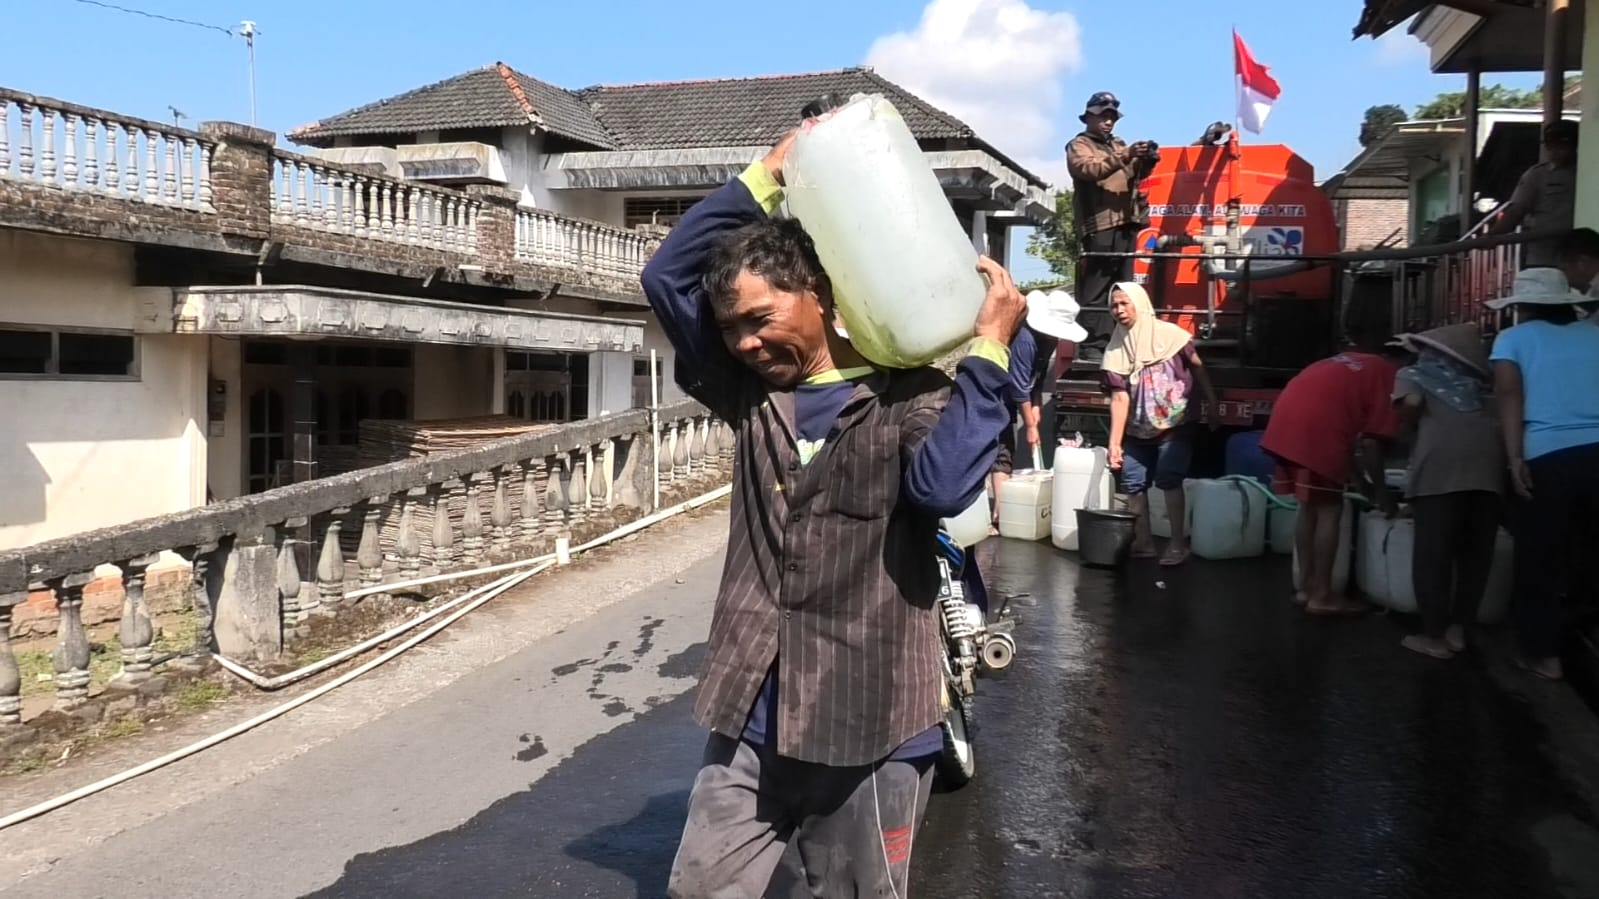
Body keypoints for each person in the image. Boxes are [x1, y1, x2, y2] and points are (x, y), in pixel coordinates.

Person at [642, 131, 1028, 897]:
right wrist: (769, 174)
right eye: (730, 329)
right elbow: (665, 276)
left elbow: (943, 487)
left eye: (759, 317)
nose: (745, 342)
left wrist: (987, 350)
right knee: (698, 887)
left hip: (873, 722)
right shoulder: (752, 396)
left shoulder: (909, 395)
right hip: (753, 715)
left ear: (817, 291)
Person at [1489, 267, 1599, 682]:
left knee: (1540, 556)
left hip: (1549, 456)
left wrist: (1515, 458)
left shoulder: (1513, 339)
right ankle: (1583, 636)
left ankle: (1543, 655)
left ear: (1524, 307)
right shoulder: (1595, 334)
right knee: (1589, 553)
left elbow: (1509, 395)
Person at [1262, 329, 1403, 616]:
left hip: (1285, 425)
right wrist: (1380, 491)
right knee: (1329, 509)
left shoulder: (1343, 363)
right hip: (1318, 432)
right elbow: (1371, 443)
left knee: (1309, 506)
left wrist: (1361, 485)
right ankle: (1322, 595)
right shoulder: (1388, 374)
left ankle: (1305, 588)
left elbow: (1346, 437)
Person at [1389, 324, 1504, 660]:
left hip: (1439, 474)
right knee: (1475, 557)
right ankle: (1459, 630)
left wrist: (1406, 423)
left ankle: (1433, 637)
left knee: (1433, 556)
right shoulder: (1483, 386)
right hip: (1488, 474)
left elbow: (1408, 408)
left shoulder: (1414, 375)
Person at [1101, 281, 1218, 566]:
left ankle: (1178, 544)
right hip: (1138, 429)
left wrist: (1212, 403)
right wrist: (1114, 443)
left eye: (1125, 303)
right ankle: (1144, 543)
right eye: (1114, 305)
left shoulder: (1172, 337)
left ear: (1139, 303)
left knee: (1168, 478)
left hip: (1175, 424)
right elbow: (1119, 399)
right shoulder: (1116, 349)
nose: (1119, 310)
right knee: (1131, 481)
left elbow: (1198, 367)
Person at [1068, 91, 1159, 363]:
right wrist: (1126, 154)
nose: (1108, 122)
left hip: (1125, 224)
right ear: (1089, 117)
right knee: (1097, 289)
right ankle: (1092, 346)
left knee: (1122, 287)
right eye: (1103, 116)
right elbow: (1087, 170)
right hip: (1100, 226)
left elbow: (1134, 174)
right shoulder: (1079, 145)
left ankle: (1118, 340)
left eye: (1112, 117)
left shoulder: (1117, 144)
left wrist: (1146, 159)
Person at [1491, 120, 1578, 268]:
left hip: (1580, 260)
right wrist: (1492, 235)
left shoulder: (1588, 171)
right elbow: (1516, 211)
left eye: (1562, 144)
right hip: (1543, 259)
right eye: (1550, 144)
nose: (1555, 150)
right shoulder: (1537, 175)